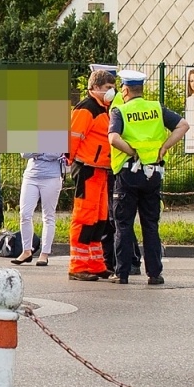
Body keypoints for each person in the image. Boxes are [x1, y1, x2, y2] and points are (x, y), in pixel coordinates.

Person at [108, 68, 190, 285]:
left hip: (128, 173)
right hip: (153, 173)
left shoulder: (120, 111)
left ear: (125, 90)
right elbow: (183, 125)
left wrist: (132, 151)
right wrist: (165, 147)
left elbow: (113, 138)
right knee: (150, 225)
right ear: (141, 89)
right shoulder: (156, 108)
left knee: (123, 224)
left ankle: (122, 273)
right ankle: (154, 274)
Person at [68, 68, 118, 281]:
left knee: (99, 219)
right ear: (95, 87)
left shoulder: (103, 109)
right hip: (87, 169)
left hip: (100, 169)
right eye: (108, 87)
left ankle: (96, 264)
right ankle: (77, 266)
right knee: (84, 217)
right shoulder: (86, 108)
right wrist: (70, 162)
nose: (112, 91)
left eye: (113, 87)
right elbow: (73, 138)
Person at [11, 150, 64, 266]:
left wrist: (36, 152)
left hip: (52, 177)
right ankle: (26, 251)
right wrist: (44, 151)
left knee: (48, 216)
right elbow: (24, 153)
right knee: (24, 214)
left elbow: (55, 154)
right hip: (31, 176)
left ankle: (44, 253)